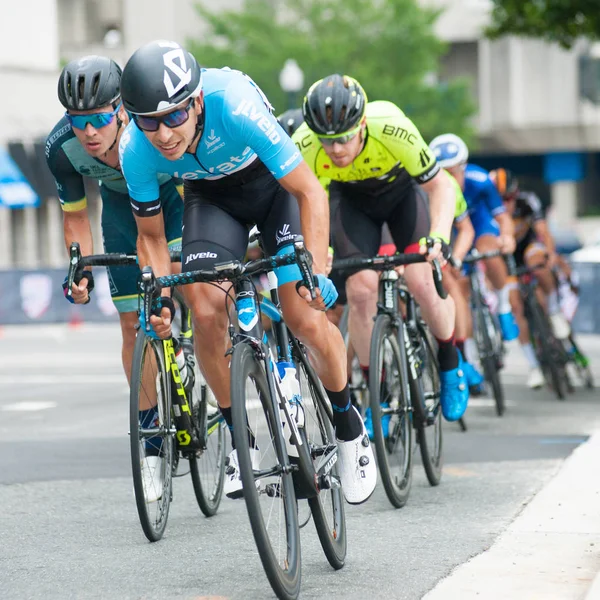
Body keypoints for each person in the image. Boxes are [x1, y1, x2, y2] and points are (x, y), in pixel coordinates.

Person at [118, 40, 377, 504]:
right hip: (212, 201)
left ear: (196, 103)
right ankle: (242, 438)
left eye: (175, 116)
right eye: (149, 122)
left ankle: (347, 423)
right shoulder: (135, 150)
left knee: (304, 317)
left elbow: (310, 193)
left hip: (273, 188)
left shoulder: (233, 104)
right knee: (204, 305)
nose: (163, 134)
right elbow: (153, 239)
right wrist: (157, 297)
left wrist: (314, 272)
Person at [293, 74, 469, 423]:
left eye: (344, 138)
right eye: (327, 142)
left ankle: (450, 363)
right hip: (352, 203)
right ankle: (381, 395)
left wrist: (439, 236)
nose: (336, 149)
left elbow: (441, 187)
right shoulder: (304, 144)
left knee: (420, 282)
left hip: (403, 195)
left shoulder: (390, 124)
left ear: (361, 125)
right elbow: (300, 202)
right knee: (359, 290)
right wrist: (317, 249)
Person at [46, 56, 185, 500]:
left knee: (195, 293)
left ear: (121, 109)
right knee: (132, 323)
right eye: (78, 120)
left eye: (100, 118)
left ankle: (199, 363)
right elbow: (76, 219)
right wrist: (79, 271)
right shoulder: (61, 149)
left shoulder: (150, 128)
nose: (89, 131)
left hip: (176, 196)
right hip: (123, 208)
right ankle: (150, 445)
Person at [429, 134, 520, 349]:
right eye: (444, 173)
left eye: (453, 172)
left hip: (479, 224)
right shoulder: (432, 188)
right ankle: (468, 350)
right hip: (452, 230)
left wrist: (507, 237)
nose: (449, 179)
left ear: (463, 167)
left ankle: (503, 306)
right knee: (458, 287)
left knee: (489, 248)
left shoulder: (479, 181)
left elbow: (502, 218)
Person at [490, 168, 571, 388]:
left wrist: (551, 254)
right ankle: (534, 366)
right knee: (515, 306)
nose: (505, 204)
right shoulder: (488, 209)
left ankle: (554, 312)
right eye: (500, 200)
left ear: (515, 194)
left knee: (537, 260)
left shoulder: (528, 202)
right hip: (508, 258)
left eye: (508, 199)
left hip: (529, 248)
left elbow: (543, 232)